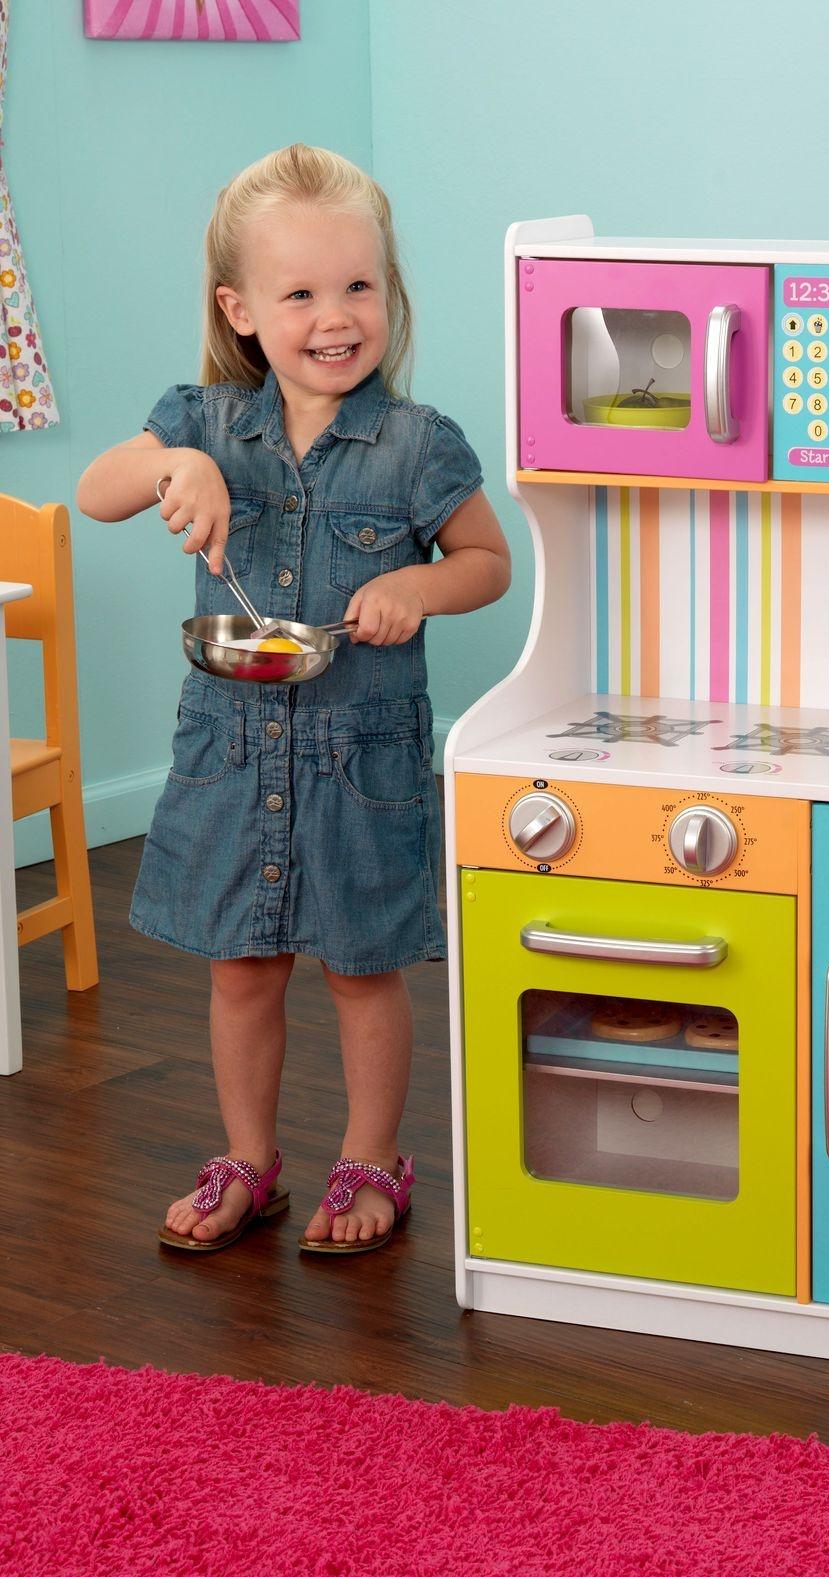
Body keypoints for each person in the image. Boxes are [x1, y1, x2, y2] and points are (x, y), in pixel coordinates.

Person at [75, 144, 510, 1256]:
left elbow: (486, 563)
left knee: (363, 975)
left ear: (389, 290)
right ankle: (250, 1159)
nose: (335, 317)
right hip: (231, 752)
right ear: (242, 310)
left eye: (358, 285)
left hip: (360, 759)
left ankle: (371, 1157)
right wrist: (176, 470)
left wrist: (419, 586)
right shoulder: (204, 421)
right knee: (242, 972)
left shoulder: (418, 445)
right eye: (301, 293)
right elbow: (95, 489)